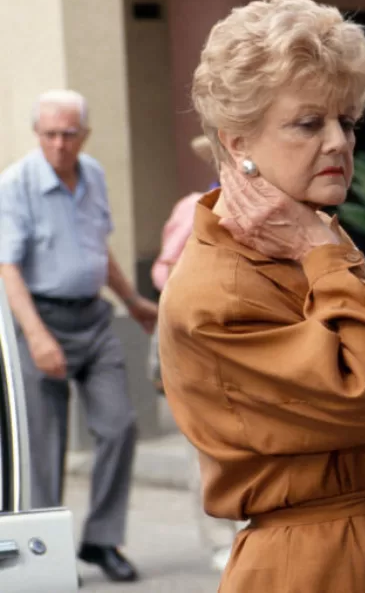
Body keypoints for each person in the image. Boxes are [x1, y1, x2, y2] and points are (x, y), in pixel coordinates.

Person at [156, 0, 365, 592]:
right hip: (323, 567)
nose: (339, 142)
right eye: (308, 123)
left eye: (347, 121)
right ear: (237, 142)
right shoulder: (222, 291)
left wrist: (315, 248)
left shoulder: (305, 238)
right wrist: (319, 252)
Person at [0, 89, 159, 584]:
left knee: (119, 425)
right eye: (50, 134)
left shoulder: (93, 175)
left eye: (69, 134)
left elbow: (98, 248)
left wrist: (132, 300)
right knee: (44, 449)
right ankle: (48, 555)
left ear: (84, 134)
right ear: (37, 133)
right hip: (39, 318)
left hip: (94, 318)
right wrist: (36, 336)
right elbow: (7, 267)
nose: (60, 144)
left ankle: (102, 540)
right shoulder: (15, 184)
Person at [147, 135, 241, 573]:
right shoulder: (195, 208)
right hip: (199, 344)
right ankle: (221, 540)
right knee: (204, 445)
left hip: (242, 343)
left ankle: (248, 531)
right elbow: (162, 270)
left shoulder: (265, 209)